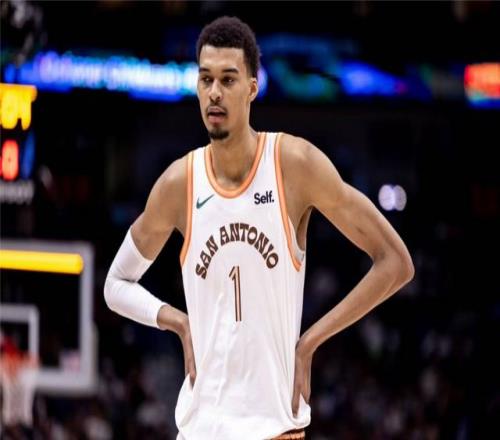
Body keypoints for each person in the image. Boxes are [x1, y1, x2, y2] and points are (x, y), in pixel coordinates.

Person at [104, 16, 414, 440]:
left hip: (274, 429)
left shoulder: (294, 165)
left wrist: (310, 342)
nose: (214, 92)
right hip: (200, 430)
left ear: (252, 86)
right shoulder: (178, 184)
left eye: (228, 79)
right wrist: (176, 321)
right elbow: (115, 284)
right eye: (206, 79)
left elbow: (395, 262)